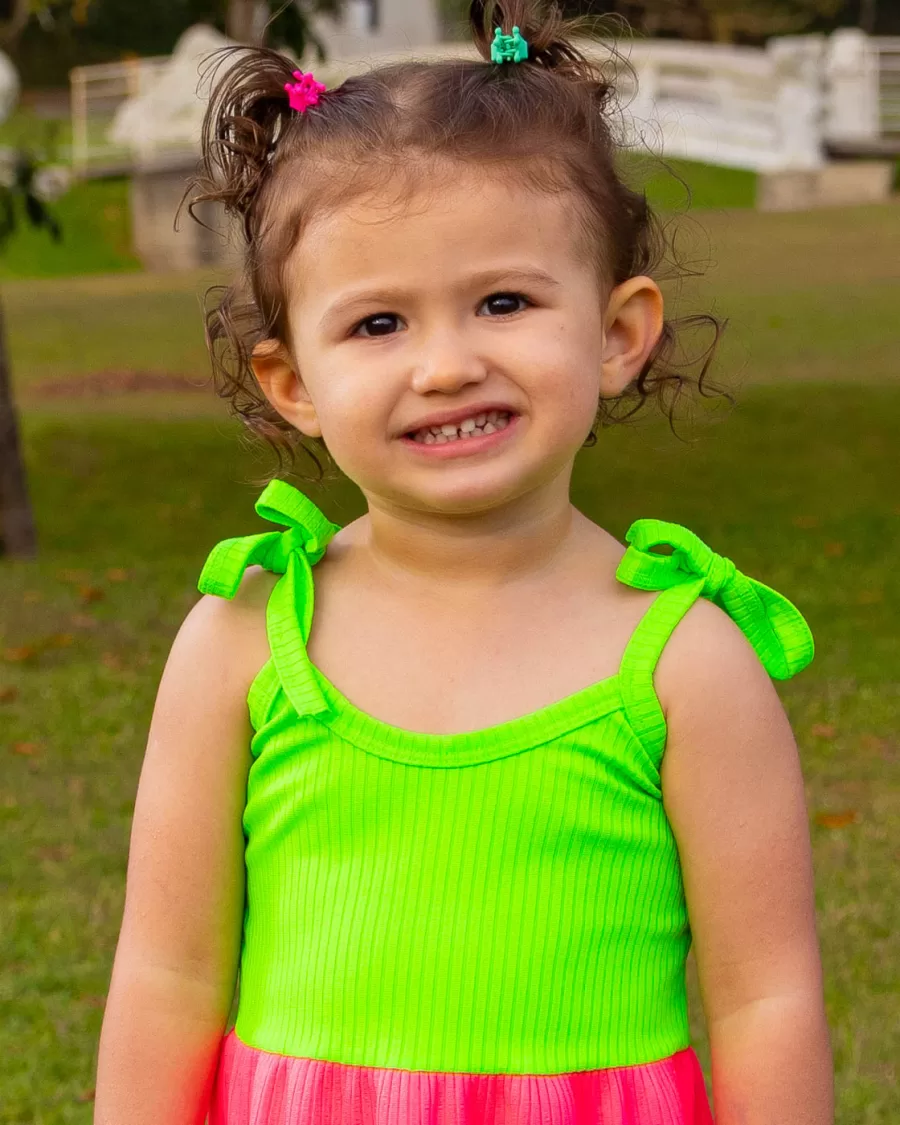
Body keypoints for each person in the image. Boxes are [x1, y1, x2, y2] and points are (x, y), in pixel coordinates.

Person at [92, 2, 833, 1122]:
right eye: (379, 324)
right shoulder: (248, 633)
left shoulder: (682, 658)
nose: (447, 365)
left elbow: (764, 999)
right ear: (293, 382)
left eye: (503, 302)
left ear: (618, 332)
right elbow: (166, 977)